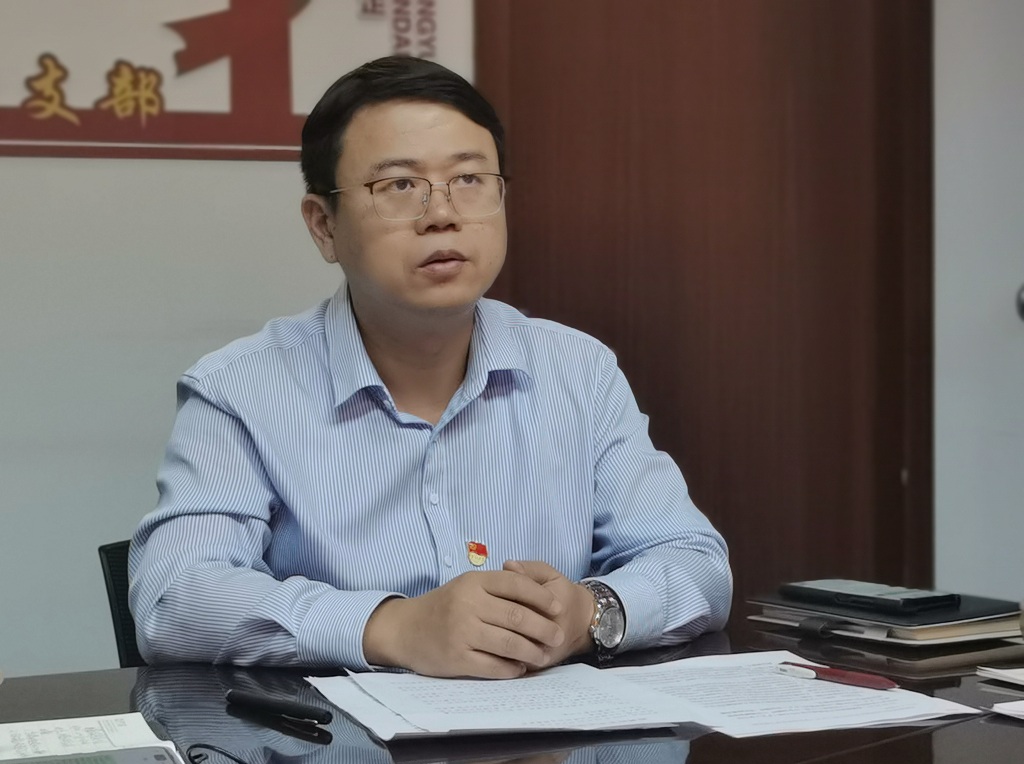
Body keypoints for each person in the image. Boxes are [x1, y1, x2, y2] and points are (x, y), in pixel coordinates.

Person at [129, 56, 731, 679]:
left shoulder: (577, 371)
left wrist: (589, 613)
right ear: (323, 225)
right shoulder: (240, 389)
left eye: (469, 179)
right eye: (399, 186)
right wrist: (393, 627)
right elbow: (173, 595)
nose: (442, 214)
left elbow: (695, 562)